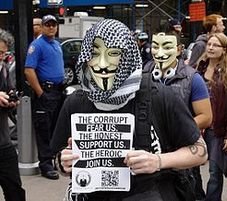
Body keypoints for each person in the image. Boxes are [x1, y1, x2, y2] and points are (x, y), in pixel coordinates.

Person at [50, 19, 207, 201]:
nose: (102, 64)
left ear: (128, 56)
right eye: (94, 53)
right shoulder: (76, 102)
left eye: (113, 53)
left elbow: (200, 151)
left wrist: (158, 161)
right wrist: (64, 162)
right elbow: (58, 158)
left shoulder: (158, 96)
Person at [144, 32, 212, 201]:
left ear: (179, 49)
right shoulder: (143, 73)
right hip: (149, 157)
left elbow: (206, 116)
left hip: (183, 157)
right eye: (155, 46)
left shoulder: (193, 79)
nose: (160, 52)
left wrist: (176, 131)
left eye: (167, 47)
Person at [196, 32, 227, 201]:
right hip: (197, 127)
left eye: (216, 45)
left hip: (217, 130)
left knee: (214, 171)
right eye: (209, 44)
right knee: (191, 168)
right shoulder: (199, 68)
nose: (211, 48)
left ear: (225, 49)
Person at [24, 14, 65, 180]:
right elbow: (28, 70)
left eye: (53, 24)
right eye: (47, 24)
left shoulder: (57, 44)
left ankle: (53, 160)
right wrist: (41, 93)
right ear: (41, 27)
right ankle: (46, 165)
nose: (50, 27)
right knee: (44, 130)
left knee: (56, 128)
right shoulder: (37, 45)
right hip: (45, 92)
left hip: (57, 91)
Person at [0, 28, 26, 200]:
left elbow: (10, 90)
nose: (0, 56)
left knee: (15, 190)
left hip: (3, 142)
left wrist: (11, 100)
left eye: (3, 53)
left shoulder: (3, 68)